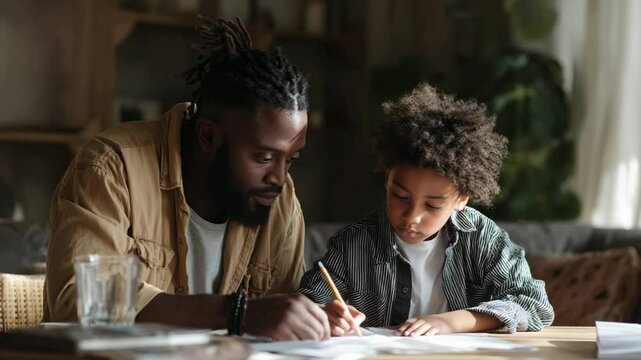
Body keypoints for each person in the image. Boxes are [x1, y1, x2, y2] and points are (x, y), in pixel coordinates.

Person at [44, 17, 330, 340]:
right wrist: (237, 313)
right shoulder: (111, 168)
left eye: (291, 160)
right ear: (208, 136)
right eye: (264, 157)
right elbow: (78, 302)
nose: (279, 178)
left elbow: (282, 320)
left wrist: (314, 318)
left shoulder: (280, 201)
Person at [298, 84, 554, 336]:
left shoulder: (482, 238)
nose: (412, 216)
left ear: (461, 199)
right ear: (387, 180)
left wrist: (449, 323)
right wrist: (326, 314)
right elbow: (306, 305)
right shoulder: (353, 244)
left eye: (432, 205)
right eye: (400, 196)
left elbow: (533, 304)